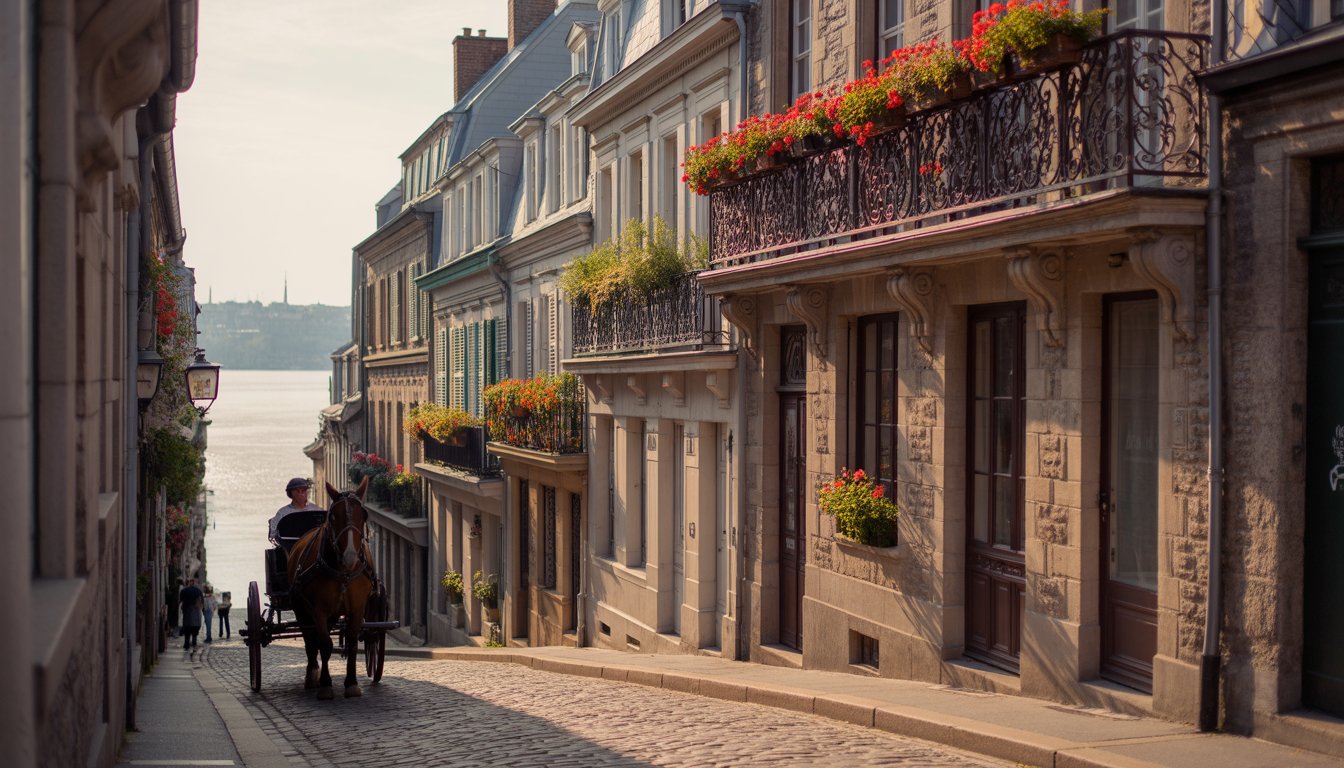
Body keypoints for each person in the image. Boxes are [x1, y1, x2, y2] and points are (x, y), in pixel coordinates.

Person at [269, 477, 322, 543]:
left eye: (303, 491)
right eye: (297, 491)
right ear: (290, 493)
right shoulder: (282, 513)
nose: (301, 494)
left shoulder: (316, 510)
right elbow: (273, 535)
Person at [179, 578, 203, 653]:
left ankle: (186, 645)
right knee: (194, 633)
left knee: (187, 632)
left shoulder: (184, 591)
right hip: (196, 618)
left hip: (187, 616)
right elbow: (202, 602)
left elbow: (181, 601)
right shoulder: (198, 592)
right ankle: (194, 644)